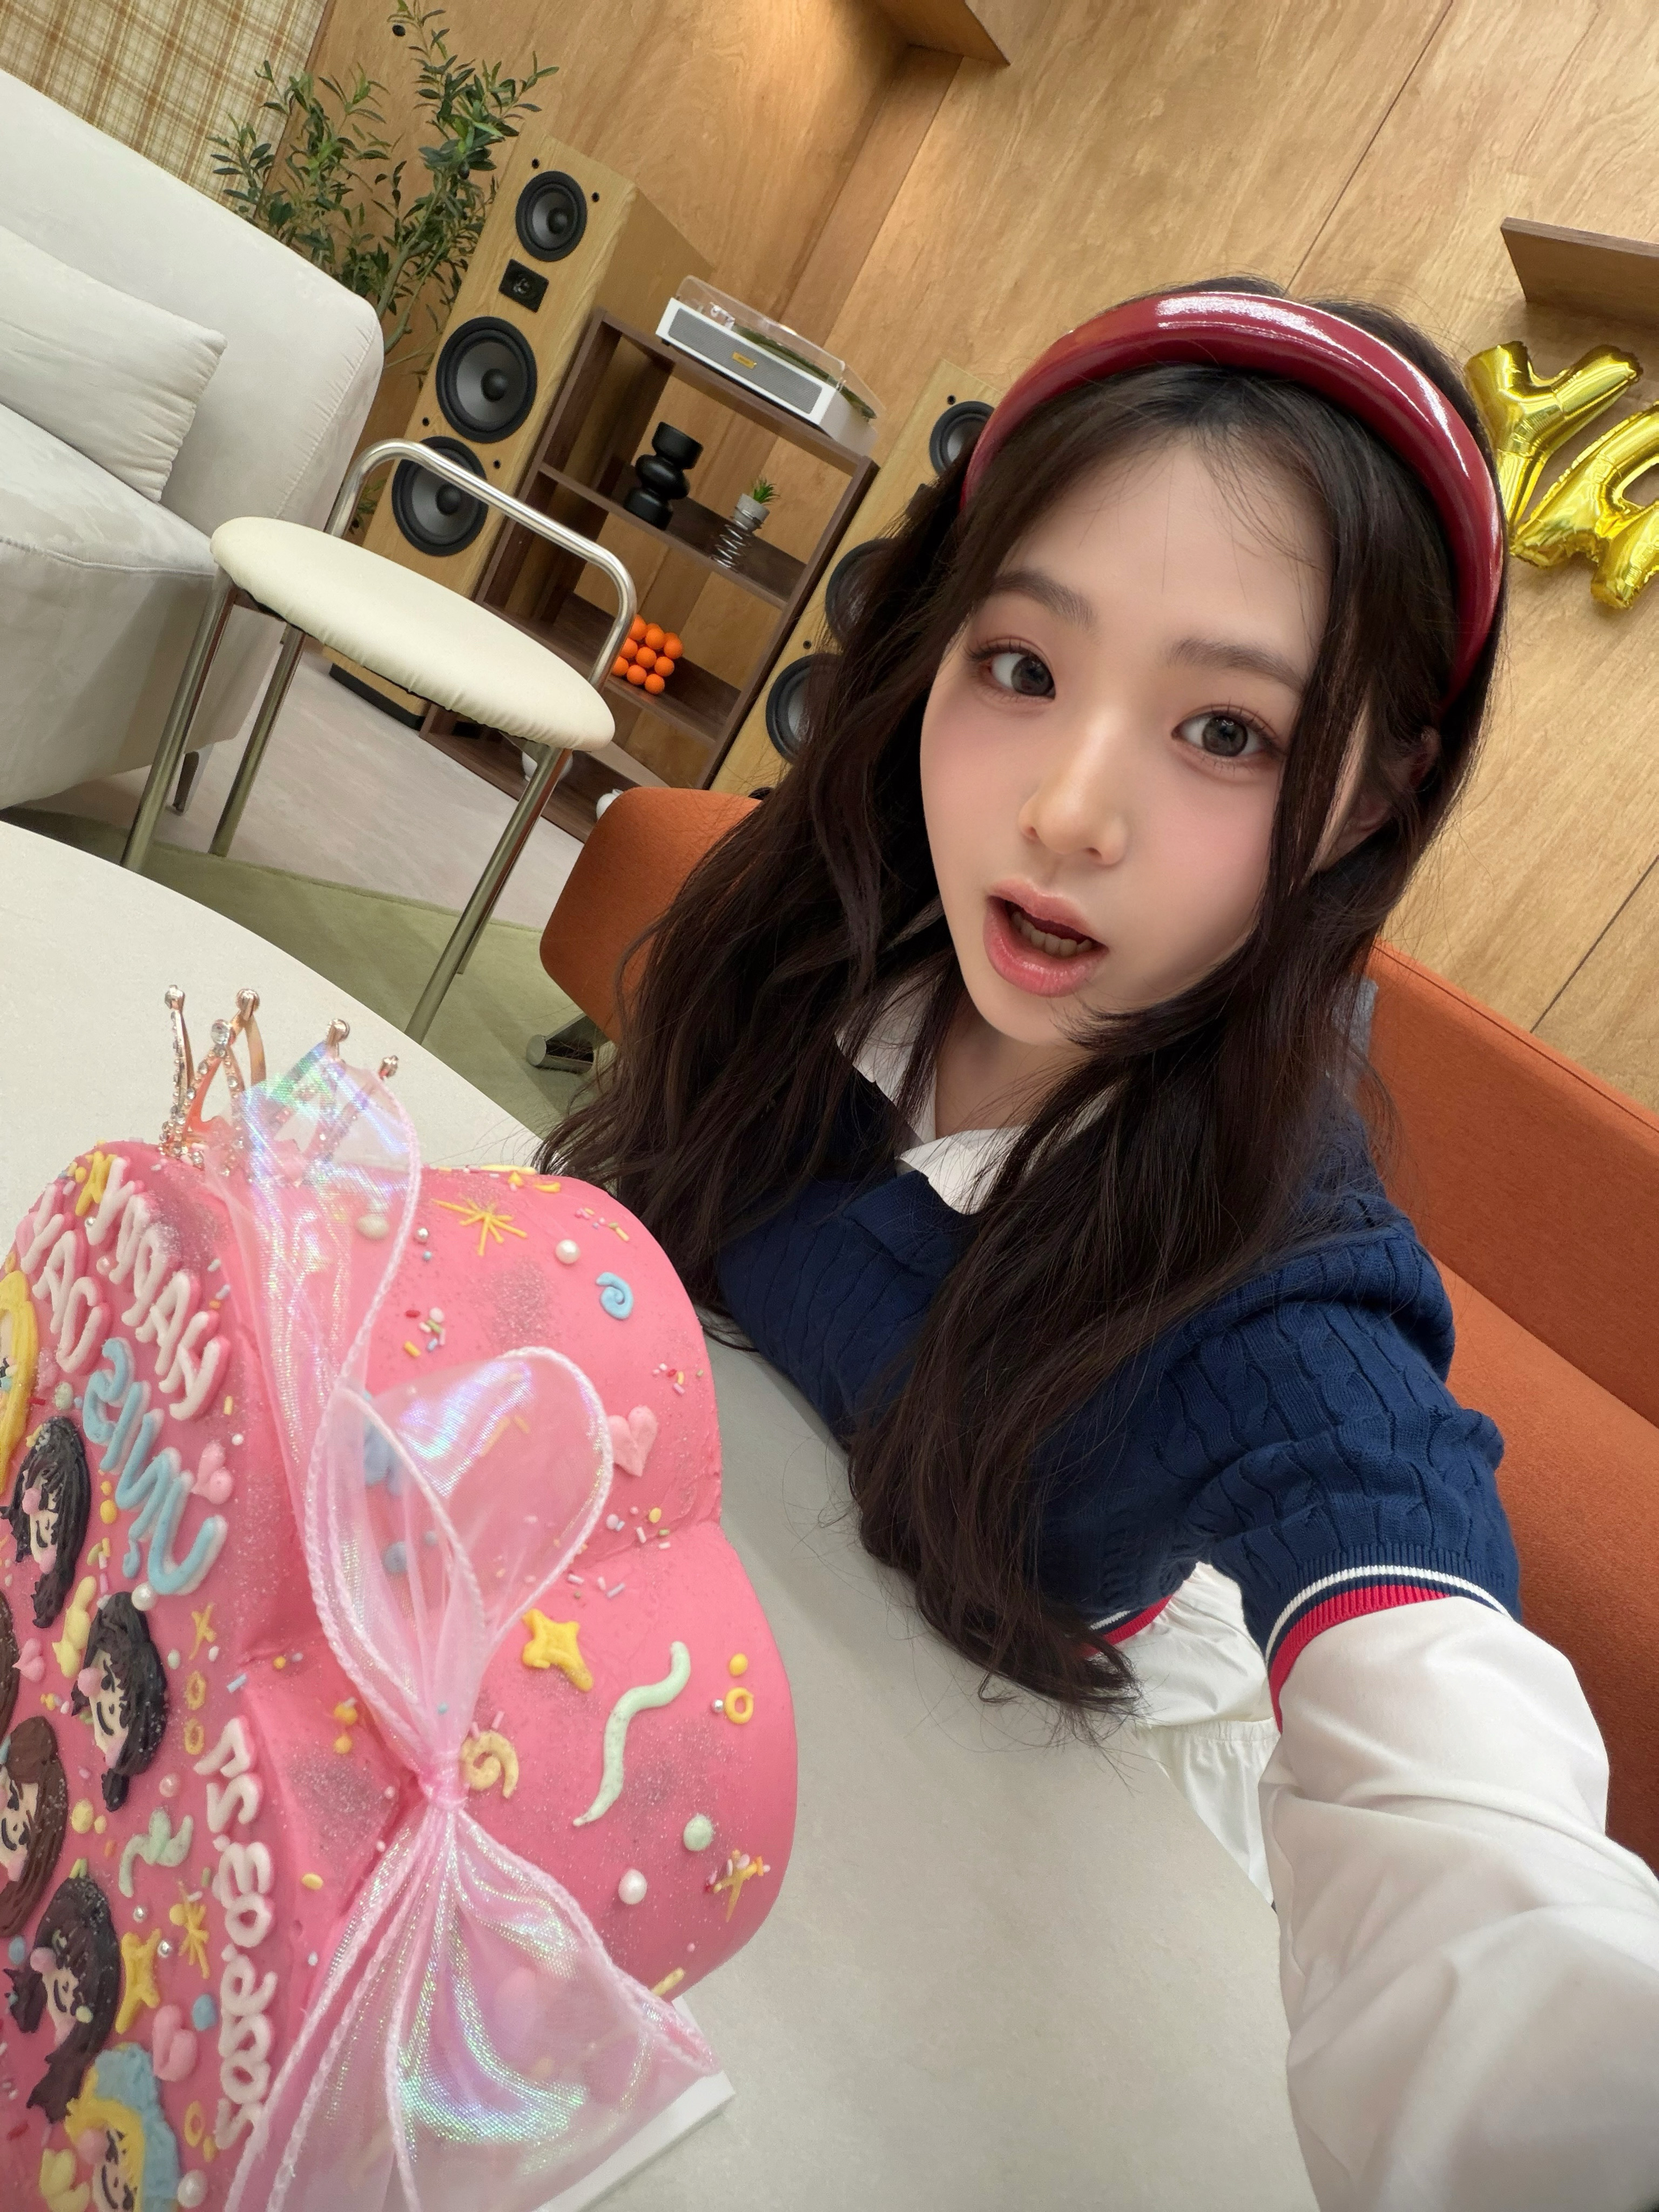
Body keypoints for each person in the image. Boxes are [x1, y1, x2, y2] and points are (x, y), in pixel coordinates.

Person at [536, 276, 1659, 2210]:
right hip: (638, 1693)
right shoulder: (810, 940)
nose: (1065, 814)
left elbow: (1464, 1823)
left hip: (987, 1832)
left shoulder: (1274, 1287)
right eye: (1023, 666)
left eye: (1226, 731)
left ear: (1377, 794)